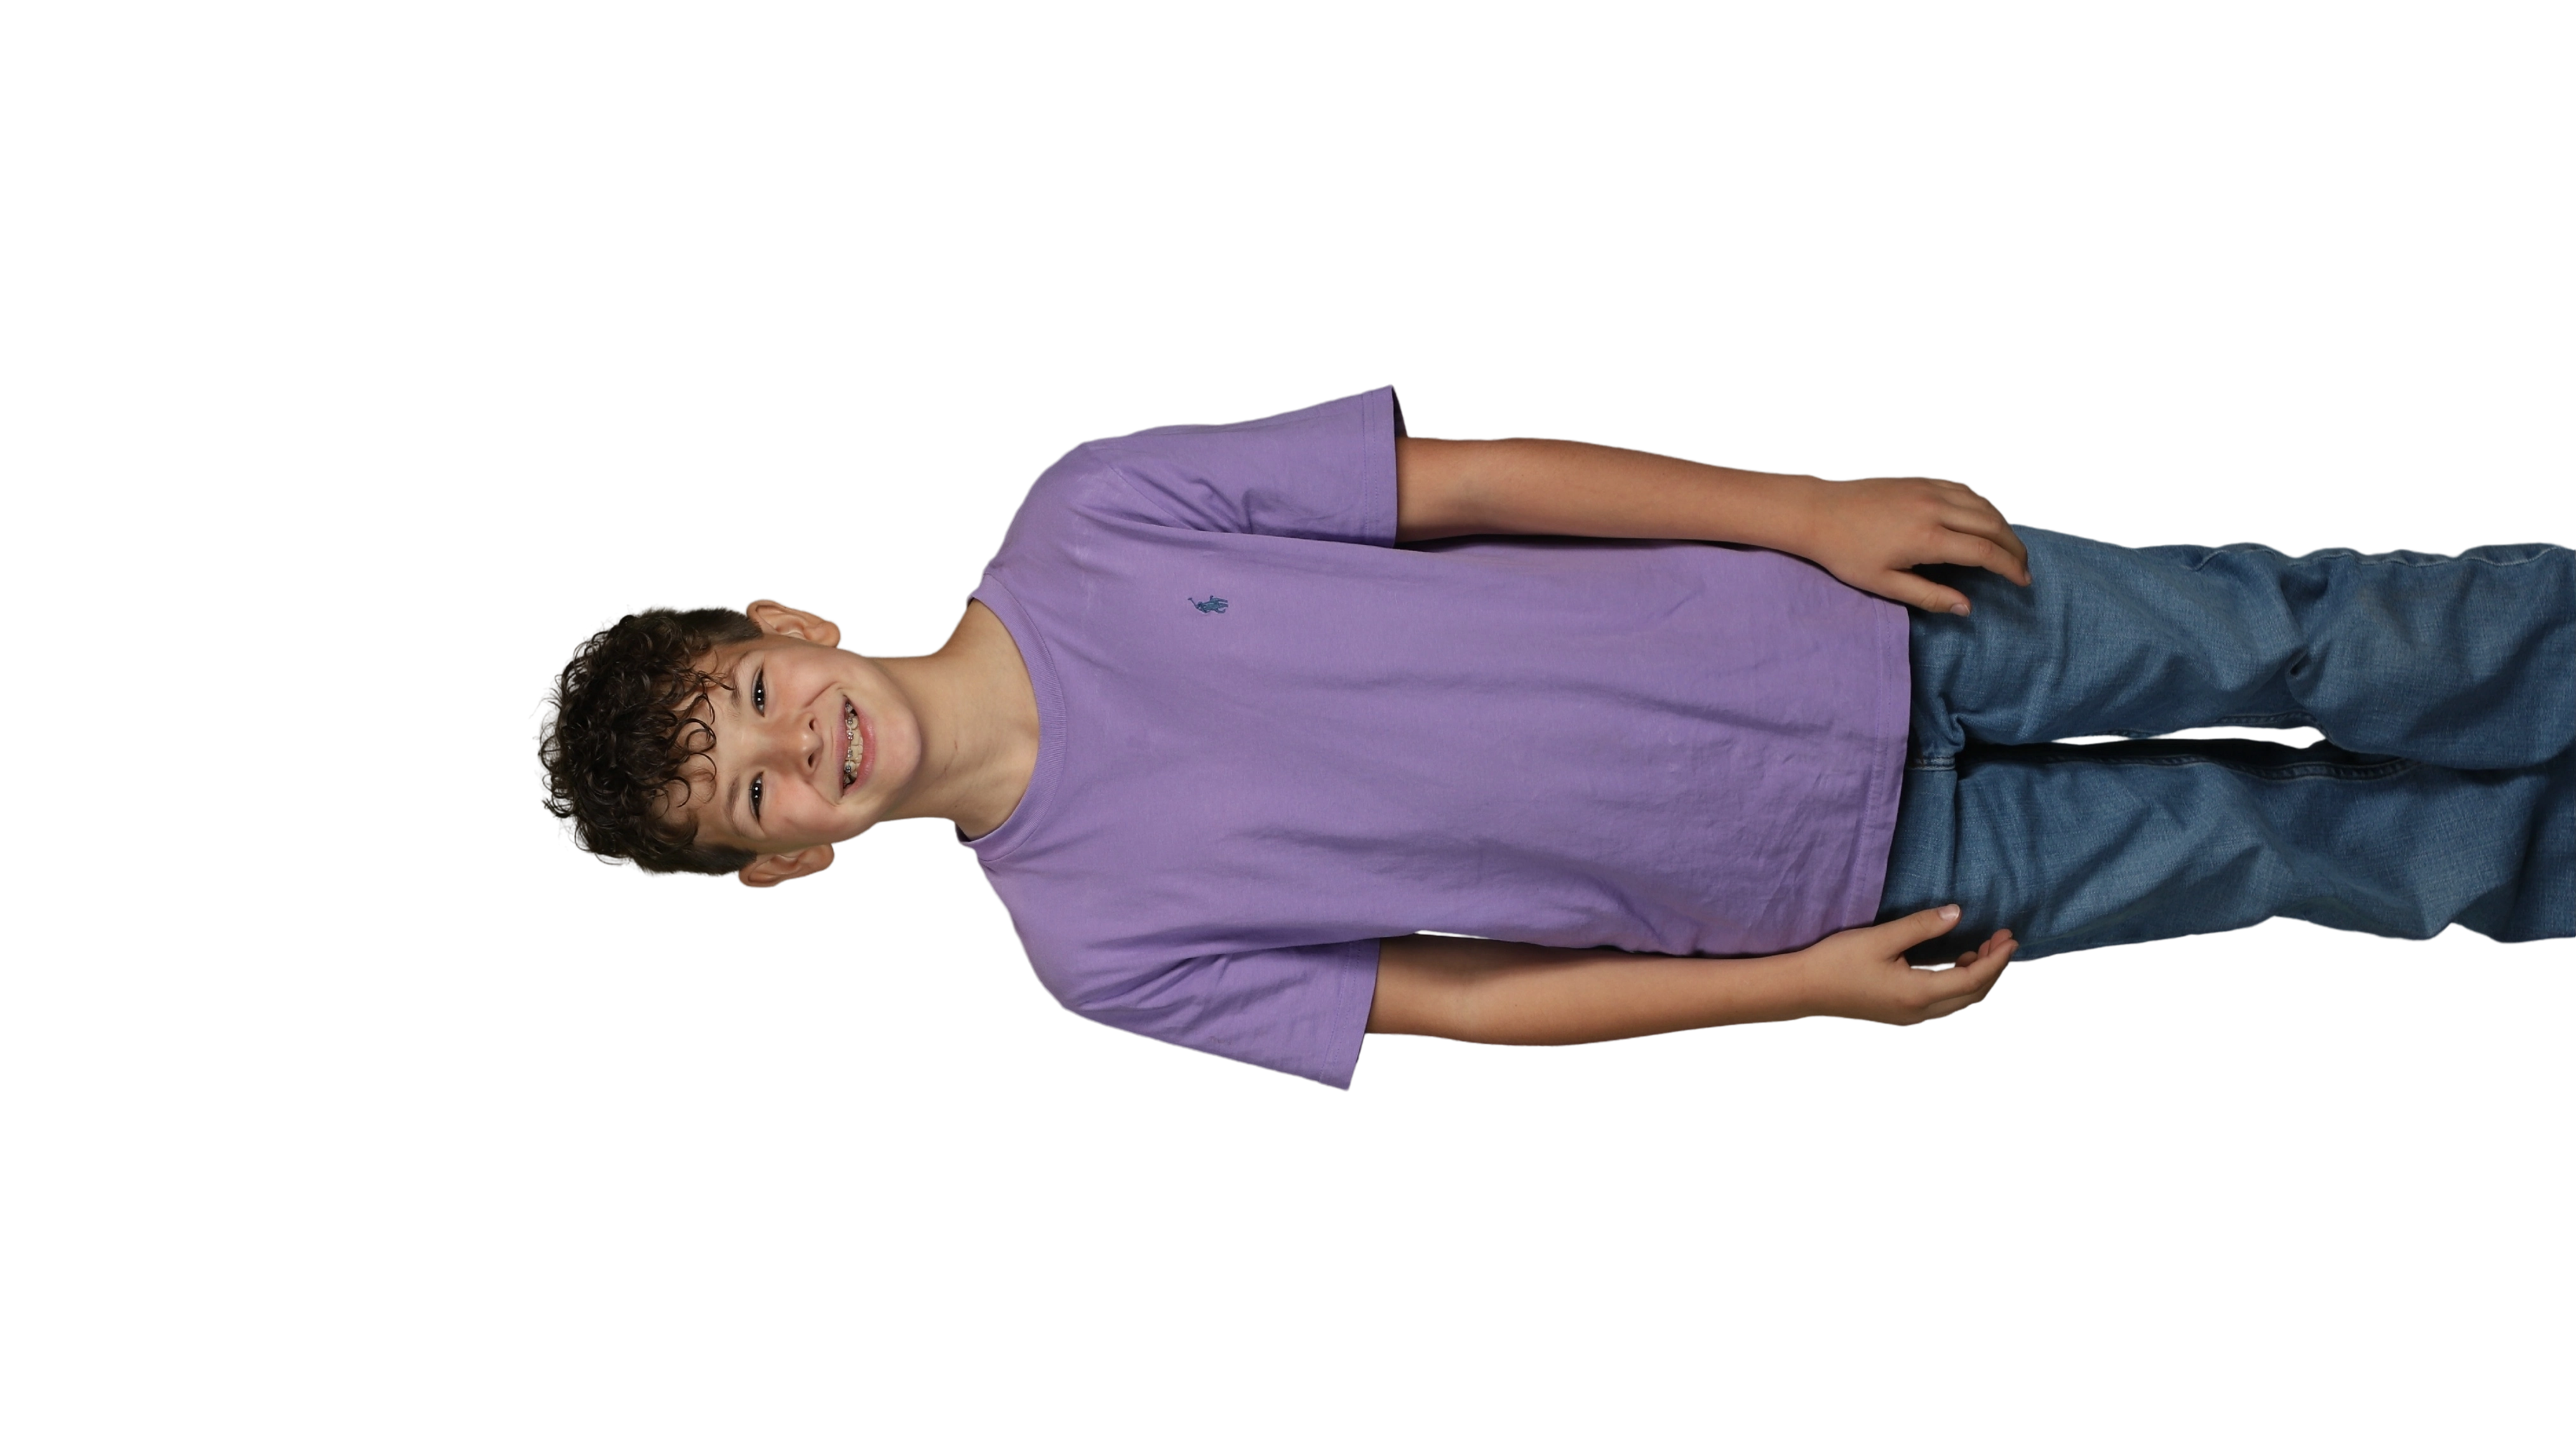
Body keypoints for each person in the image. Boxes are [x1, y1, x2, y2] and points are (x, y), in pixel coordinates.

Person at [528, 383, 2575, 1093]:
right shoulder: (1099, 951)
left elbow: (1471, 485)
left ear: (789, 622)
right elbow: (1474, 1003)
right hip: (1858, 886)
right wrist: (1801, 989)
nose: (799, 749)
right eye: (752, 799)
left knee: (2301, 629)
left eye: (753, 698)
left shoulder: (1093, 511)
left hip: (1870, 624)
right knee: (2291, 854)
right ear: (788, 868)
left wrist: (1807, 512)